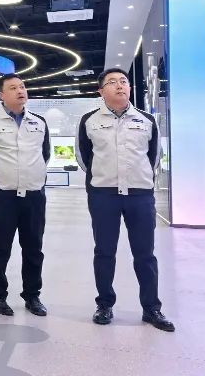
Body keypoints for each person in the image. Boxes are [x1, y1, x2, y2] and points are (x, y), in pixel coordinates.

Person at [75, 67, 175, 332]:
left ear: (129, 87)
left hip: (140, 196)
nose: (119, 85)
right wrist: (104, 177)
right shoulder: (89, 120)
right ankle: (104, 304)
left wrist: (138, 179)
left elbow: (153, 157)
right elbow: (84, 158)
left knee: (145, 254)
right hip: (103, 195)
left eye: (124, 81)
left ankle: (152, 308)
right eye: (112, 82)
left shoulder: (146, 119)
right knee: (104, 252)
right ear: (101, 91)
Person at [0, 74, 50, 317]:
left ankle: (32, 295)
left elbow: (45, 154)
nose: (20, 91)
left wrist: (33, 175)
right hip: (3, 195)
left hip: (34, 194)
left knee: (34, 247)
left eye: (22, 86)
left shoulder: (39, 122)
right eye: (13, 88)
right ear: (1, 95)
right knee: (0, 245)